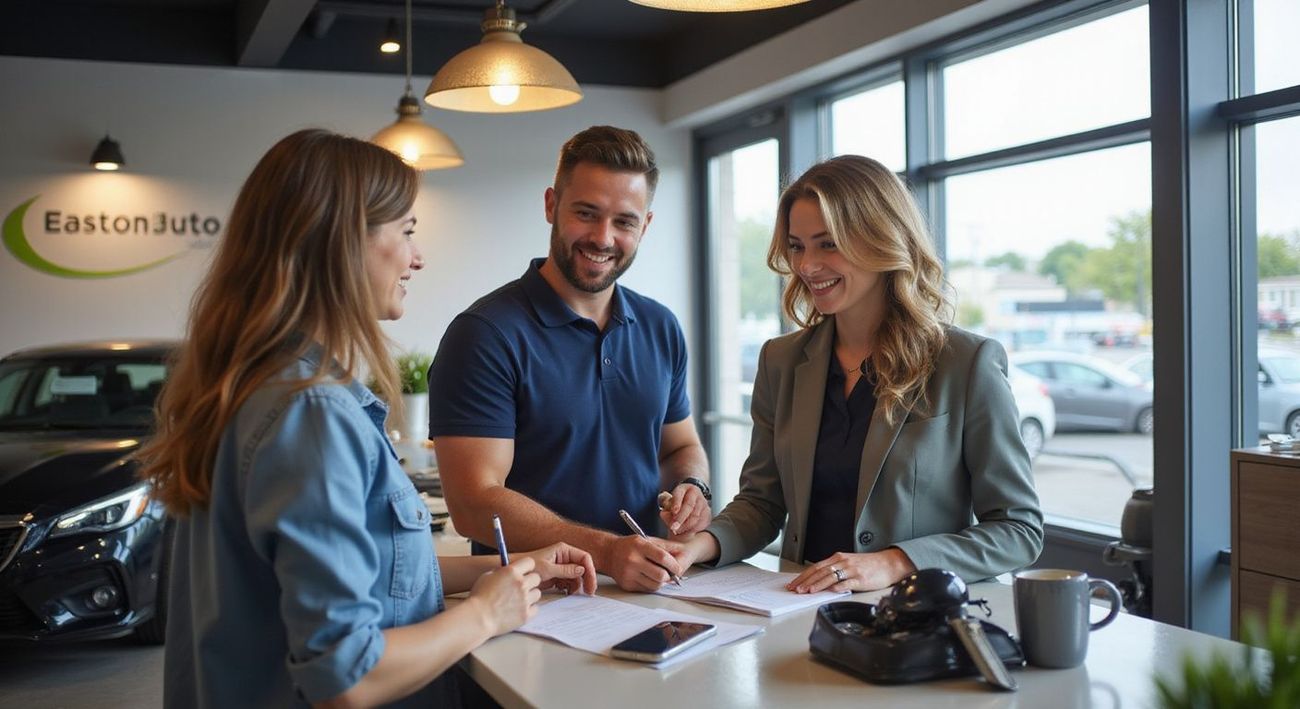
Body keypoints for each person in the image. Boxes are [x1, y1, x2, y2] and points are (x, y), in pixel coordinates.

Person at [139, 129, 597, 709]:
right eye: (406, 232)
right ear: (339, 242)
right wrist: (486, 614)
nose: (418, 256)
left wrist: (514, 569)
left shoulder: (248, 386)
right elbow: (347, 676)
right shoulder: (310, 413)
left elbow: (370, 571)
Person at [674, 154, 1043, 592]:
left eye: (828, 243)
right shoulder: (780, 361)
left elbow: (1019, 529)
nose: (807, 265)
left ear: (881, 239)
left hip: (914, 621)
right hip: (801, 614)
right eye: (797, 245)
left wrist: (896, 562)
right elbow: (761, 504)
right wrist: (697, 547)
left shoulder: (966, 362)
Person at [428, 126, 709, 592]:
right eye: (586, 213)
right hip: (531, 600)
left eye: (625, 221)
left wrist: (694, 488)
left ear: (646, 225)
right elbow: (474, 503)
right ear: (551, 206)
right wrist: (607, 552)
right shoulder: (483, 335)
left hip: (651, 589)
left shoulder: (661, 326)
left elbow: (680, 448)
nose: (603, 237)